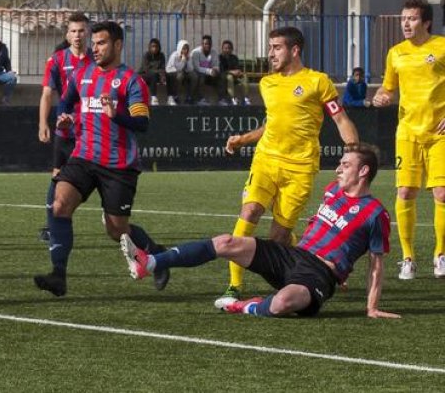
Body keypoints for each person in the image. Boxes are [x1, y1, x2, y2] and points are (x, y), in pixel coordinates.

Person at [122, 145, 398, 319]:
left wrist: (371, 307)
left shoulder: (375, 214)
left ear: (363, 171)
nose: (338, 168)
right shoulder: (332, 190)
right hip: (292, 255)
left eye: (345, 165)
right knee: (227, 242)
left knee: (282, 303)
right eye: (340, 163)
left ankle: (243, 306)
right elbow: (320, 227)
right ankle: (150, 262)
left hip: (318, 275)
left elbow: (376, 264)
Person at [219, 26, 359, 307]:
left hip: (300, 167)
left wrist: (354, 153)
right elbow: (272, 124)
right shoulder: (267, 84)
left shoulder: (318, 82)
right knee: (250, 210)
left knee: (279, 237)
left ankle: (302, 262)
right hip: (266, 160)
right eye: (270, 48)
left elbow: (341, 120)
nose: (270, 54)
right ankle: (233, 286)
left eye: (277, 48)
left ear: (295, 50)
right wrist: (243, 139)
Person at [33, 20, 168, 298]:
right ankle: (59, 275)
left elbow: (141, 122)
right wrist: (67, 118)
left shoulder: (132, 81)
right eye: (93, 43)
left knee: (116, 228)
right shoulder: (82, 73)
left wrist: (115, 114)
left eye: (101, 43)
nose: (95, 48)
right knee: (59, 205)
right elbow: (66, 101)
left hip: (119, 165)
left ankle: (159, 255)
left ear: (117, 45)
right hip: (83, 156)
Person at [371, 0, 445, 280]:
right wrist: (382, 96)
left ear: (426, 22)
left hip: (439, 134)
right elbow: (389, 88)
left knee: (442, 193)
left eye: (412, 19)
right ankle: (407, 258)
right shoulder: (396, 53)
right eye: (403, 19)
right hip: (407, 133)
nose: (406, 23)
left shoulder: (441, 47)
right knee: (405, 193)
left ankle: (440, 254)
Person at [38, 12, 92, 243]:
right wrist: (43, 123)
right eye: (73, 31)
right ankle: (52, 225)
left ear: (87, 33)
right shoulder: (57, 60)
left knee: (96, 176)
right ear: (67, 34)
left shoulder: (96, 59)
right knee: (57, 174)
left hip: (91, 129)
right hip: (66, 130)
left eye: (81, 30)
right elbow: (47, 94)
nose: (77, 35)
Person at [218, 39, 249, 105]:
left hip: (235, 76)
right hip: (224, 77)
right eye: (225, 48)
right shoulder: (220, 58)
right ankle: (232, 98)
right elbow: (221, 70)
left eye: (229, 48)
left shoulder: (234, 57)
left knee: (244, 76)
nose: (227, 50)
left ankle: (245, 98)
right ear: (222, 49)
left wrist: (238, 72)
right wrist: (231, 72)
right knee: (230, 77)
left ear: (231, 49)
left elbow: (237, 68)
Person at [165, 39, 195, 105]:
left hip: (183, 73)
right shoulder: (174, 56)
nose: (185, 51)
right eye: (183, 49)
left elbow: (191, 69)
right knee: (180, 76)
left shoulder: (188, 56)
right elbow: (177, 69)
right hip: (172, 73)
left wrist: (188, 60)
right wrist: (183, 61)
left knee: (193, 76)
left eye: (187, 49)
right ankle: (174, 96)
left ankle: (189, 97)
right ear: (180, 48)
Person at [136, 38, 166, 106]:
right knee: (153, 75)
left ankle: (171, 97)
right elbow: (146, 69)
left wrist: (161, 74)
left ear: (159, 47)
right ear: (150, 47)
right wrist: (158, 71)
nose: (154, 48)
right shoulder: (146, 55)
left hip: (156, 76)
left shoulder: (161, 55)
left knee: (166, 75)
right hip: (144, 75)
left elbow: (162, 68)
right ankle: (153, 97)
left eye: (156, 46)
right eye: (153, 46)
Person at [192, 35, 219, 105]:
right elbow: (197, 67)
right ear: (202, 44)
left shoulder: (214, 52)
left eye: (209, 44)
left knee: (221, 77)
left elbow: (216, 64)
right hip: (195, 72)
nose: (208, 45)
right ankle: (198, 98)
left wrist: (215, 69)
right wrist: (210, 71)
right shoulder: (196, 52)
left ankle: (221, 99)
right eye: (206, 44)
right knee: (200, 77)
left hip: (208, 73)